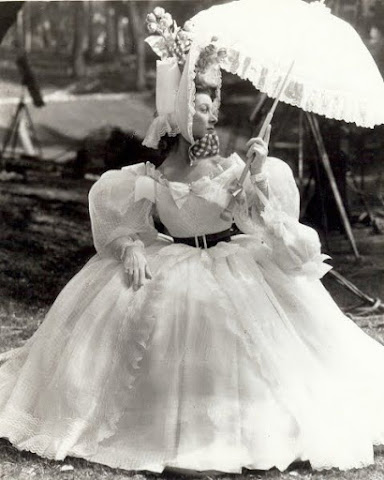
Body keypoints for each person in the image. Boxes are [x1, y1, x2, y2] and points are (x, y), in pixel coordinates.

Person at [1, 12, 384, 475]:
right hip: (173, 259)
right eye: (201, 107)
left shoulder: (232, 169)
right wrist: (132, 247)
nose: (211, 114)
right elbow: (124, 221)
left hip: (232, 261)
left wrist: (256, 174)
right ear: (181, 113)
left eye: (212, 105)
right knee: (132, 320)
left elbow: (262, 225)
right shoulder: (152, 176)